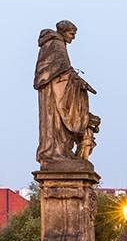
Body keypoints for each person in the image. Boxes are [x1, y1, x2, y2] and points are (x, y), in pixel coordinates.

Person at [34, 20, 99, 163]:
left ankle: (61, 151)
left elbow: (63, 70)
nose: (73, 37)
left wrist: (78, 81)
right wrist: (77, 81)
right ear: (63, 32)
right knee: (55, 124)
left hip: (59, 89)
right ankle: (56, 153)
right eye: (72, 34)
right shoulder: (56, 45)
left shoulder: (57, 44)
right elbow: (58, 69)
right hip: (54, 92)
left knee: (59, 126)